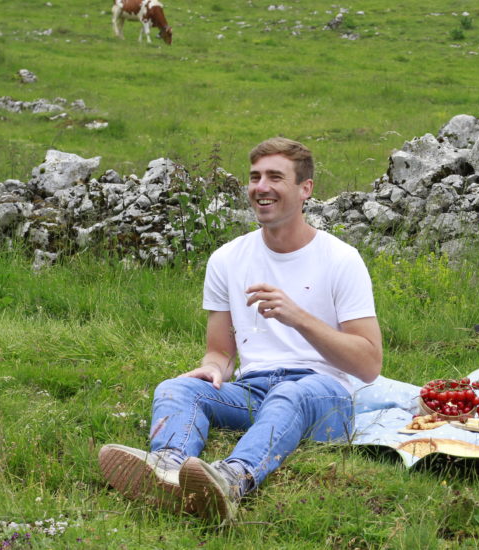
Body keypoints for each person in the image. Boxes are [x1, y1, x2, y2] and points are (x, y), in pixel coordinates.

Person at [98, 137, 383, 522]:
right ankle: (166, 470)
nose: (260, 187)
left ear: (305, 189)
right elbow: (220, 352)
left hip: (323, 394)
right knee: (176, 388)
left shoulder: (341, 260)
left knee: (291, 394)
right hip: (253, 391)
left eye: (274, 177)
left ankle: (232, 479)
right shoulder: (228, 259)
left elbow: (368, 365)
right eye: (254, 177)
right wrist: (214, 368)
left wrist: (297, 317)